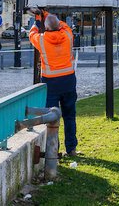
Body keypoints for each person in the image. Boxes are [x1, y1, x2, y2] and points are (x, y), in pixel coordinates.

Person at [29, 9, 79, 156]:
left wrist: (38, 20)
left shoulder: (42, 40)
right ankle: (71, 149)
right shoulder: (68, 35)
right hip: (68, 81)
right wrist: (47, 14)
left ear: (47, 27)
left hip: (51, 83)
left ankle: (53, 150)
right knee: (70, 116)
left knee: (51, 117)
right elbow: (63, 25)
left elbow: (32, 34)